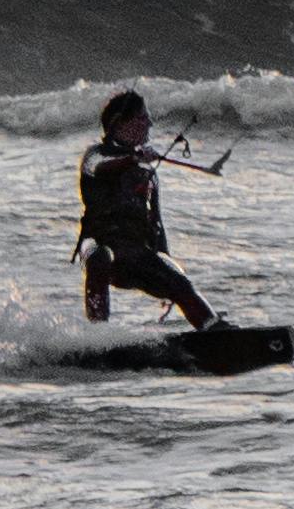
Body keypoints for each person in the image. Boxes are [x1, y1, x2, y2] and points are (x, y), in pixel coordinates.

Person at [75, 89, 215, 330]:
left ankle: (214, 330)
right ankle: (97, 335)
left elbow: (156, 224)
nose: (149, 123)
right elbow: (100, 168)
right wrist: (133, 159)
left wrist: (168, 265)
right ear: (120, 123)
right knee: (100, 257)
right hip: (99, 245)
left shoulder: (147, 173)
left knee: (177, 279)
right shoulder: (95, 155)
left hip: (136, 254)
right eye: (142, 117)